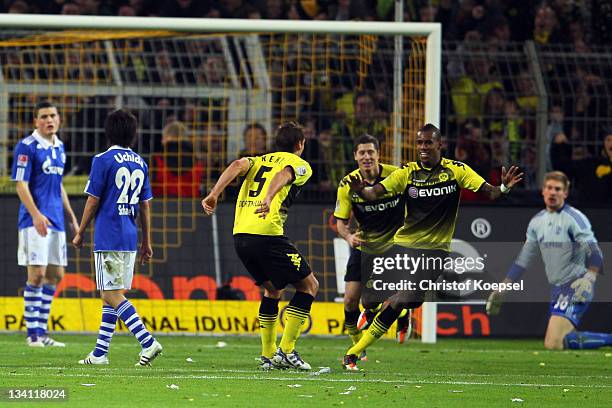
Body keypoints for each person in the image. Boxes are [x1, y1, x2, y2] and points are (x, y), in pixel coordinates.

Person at [342, 123, 523, 370]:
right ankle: (400, 314)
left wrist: (503, 187)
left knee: (403, 299)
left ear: (440, 144)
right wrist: (362, 190)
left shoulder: (456, 170)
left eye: (428, 142)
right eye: (419, 143)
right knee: (370, 299)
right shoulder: (407, 173)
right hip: (402, 247)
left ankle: (353, 353)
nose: (423, 147)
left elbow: (489, 192)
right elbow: (375, 193)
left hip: (434, 251)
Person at [201, 121, 318, 371]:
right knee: (309, 286)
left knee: (273, 290)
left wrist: (214, 193)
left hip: (240, 236)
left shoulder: (258, 159)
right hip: (267, 234)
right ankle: (286, 351)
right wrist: (268, 196)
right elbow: (283, 175)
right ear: (300, 144)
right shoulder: (300, 164)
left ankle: (267, 355)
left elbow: (236, 165)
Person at [72, 109, 162, 366]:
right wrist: (147, 241)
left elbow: (93, 200)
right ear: (133, 135)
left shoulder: (102, 159)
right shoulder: (140, 162)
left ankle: (147, 341)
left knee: (110, 293)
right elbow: (145, 205)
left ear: (107, 132)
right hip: (129, 235)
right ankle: (100, 353)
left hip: (108, 234)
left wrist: (80, 232)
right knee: (111, 294)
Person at [486, 171, 609, 350]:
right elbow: (523, 260)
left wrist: (589, 278)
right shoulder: (537, 222)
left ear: (565, 193)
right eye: (549, 188)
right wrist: (503, 287)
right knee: (560, 341)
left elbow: (595, 252)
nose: (553, 193)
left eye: (558, 189)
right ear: (543, 191)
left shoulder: (575, 219)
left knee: (553, 342)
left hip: (576, 285)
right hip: (557, 288)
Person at [334, 134, 410, 350]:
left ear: (378, 154)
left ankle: (401, 312)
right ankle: (359, 345)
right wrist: (349, 237)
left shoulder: (396, 175)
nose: (366, 156)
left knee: (376, 299)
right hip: (365, 245)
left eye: (371, 152)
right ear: (355, 156)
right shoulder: (347, 184)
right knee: (352, 301)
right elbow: (341, 222)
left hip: (394, 246)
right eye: (362, 153)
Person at [11, 100, 78, 347]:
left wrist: (71, 217)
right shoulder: (26, 146)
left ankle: (43, 333)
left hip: (57, 221)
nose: (49, 120)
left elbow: (59, 185)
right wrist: (37, 214)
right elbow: (20, 185)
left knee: (56, 275)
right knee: (37, 274)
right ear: (35, 122)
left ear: (59, 119)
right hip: (33, 220)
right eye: (44, 116)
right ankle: (33, 335)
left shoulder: (60, 147)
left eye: (53, 115)